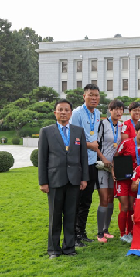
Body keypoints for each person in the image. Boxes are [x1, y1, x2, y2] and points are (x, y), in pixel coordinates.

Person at [38, 99, 88, 259]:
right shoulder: (46, 131)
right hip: (54, 180)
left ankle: (69, 248)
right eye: (60, 110)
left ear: (71, 113)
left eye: (66, 110)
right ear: (55, 113)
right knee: (55, 215)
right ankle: (53, 249)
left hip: (74, 180)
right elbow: (42, 158)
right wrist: (43, 181)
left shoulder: (78, 131)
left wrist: (84, 178)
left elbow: (83, 157)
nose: (63, 112)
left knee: (71, 215)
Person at [70, 84, 101, 246]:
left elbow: (94, 136)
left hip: (92, 162)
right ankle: (73, 235)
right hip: (79, 163)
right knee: (76, 199)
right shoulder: (76, 113)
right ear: (84, 96)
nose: (94, 98)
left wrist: (94, 148)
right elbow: (74, 138)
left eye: (97, 95)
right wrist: (90, 145)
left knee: (87, 200)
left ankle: (81, 232)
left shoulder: (97, 113)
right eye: (91, 95)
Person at [114, 121, 140, 243]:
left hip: (135, 180)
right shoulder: (126, 143)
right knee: (124, 206)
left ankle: (130, 231)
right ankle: (122, 233)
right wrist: (115, 172)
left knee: (131, 207)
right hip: (123, 179)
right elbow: (117, 156)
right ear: (136, 131)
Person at [95, 100, 124, 243]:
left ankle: (106, 230)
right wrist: (103, 159)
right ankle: (99, 233)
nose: (118, 112)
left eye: (120, 110)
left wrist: (114, 163)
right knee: (104, 198)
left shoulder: (121, 126)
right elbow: (96, 144)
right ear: (110, 110)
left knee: (111, 198)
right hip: (102, 166)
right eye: (115, 109)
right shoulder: (102, 124)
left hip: (114, 167)